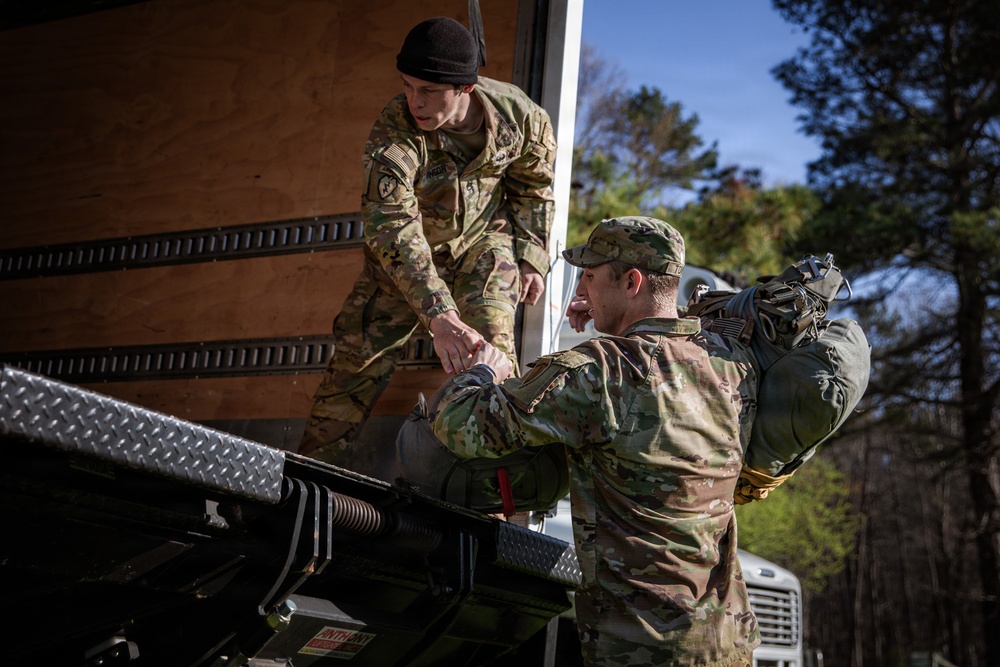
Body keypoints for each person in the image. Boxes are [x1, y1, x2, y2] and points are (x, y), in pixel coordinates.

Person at [427, 217, 761, 666]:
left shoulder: (602, 370)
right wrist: (615, 318)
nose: (581, 286)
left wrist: (484, 370)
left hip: (642, 648)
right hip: (728, 642)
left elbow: (460, 424)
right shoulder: (729, 362)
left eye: (589, 275)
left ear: (631, 281)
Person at [300, 17, 557, 470]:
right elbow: (392, 225)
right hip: (406, 263)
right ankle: (303, 483)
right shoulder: (395, 128)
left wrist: (533, 256)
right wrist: (440, 316)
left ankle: (492, 499)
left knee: (493, 361)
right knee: (354, 370)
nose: (415, 101)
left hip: (483, 248)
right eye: (407, 86)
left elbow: (533, 186)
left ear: (465, 88)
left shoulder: (521, 118)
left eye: (430, 91)